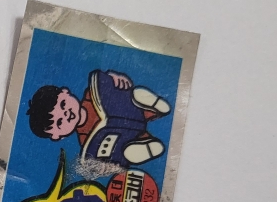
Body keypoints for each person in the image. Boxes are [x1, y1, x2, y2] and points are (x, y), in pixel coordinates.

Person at [27, 69, 171, 167]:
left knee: (129, 101)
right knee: (118, 151)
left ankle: (145, 102)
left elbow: (108, 82)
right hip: (126, 136)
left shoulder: (93, 91)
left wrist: (114, 77)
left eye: (63, 104)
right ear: (57, 136)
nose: (66, 114)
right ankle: (141, 148)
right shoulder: (87, 143)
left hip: (130, 109)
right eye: (60, 122)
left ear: (65, 92)